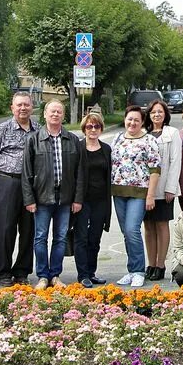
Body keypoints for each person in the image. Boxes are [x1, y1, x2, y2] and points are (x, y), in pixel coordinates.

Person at [22, 100, 84, 290]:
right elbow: (26, 172)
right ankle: (42, 275)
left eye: (59, 111)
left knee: (60, 238)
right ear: (45, 115)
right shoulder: (33, 139)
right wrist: (29, 199)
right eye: (52, 111)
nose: (55, 114)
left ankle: (55, 275)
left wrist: (77, 198)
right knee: (40, 237)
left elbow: (79, 172)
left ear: (63, 116)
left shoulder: (72, 139)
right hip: (41, 199)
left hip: (65, 199)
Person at [0, 92, 39, 286]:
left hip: (32, 186)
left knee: (28, 229)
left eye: (26, 105)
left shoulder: (39, 130)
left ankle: (22, 271)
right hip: (8, 183)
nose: (23, 108)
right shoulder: (2, 129)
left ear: (32, 107)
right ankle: (4, 272)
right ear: (12, 108)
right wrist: (3, 175)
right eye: (19, 105)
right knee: (6, 229)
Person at [111, 105, 161, 288]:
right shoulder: (117, 138)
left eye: (136, 120)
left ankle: (139, 270)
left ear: (142, 122)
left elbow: (155, 169)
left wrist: (150, 195)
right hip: (118, 191)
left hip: (139, 193)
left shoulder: (149, 140)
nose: (132, 123)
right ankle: (131, 270)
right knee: (126, 233)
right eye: (129, 119)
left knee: (132, 230)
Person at [143, 99, 181, 281]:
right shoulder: (143, 133)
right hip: (146, 190)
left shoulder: (172, 133)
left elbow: (176, 161)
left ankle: (160, 264)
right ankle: (150, 264)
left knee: (162, 224)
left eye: (160, 112)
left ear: (165, 114)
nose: (156, 115)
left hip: (165, 187)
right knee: (148, 227)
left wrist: (171, 188)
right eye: (153, 112)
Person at [71, 112, 111, 287]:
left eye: (96, 126)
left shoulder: (106, 149)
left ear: (101, 129)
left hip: (101, 200)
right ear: (84, 129)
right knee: (81, 237)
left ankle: (92, 272)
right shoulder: (78, 148)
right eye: (89, 126)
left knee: (95, 237)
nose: (93, 129)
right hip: (82, 200)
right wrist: (75, 199)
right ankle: (83, 274)